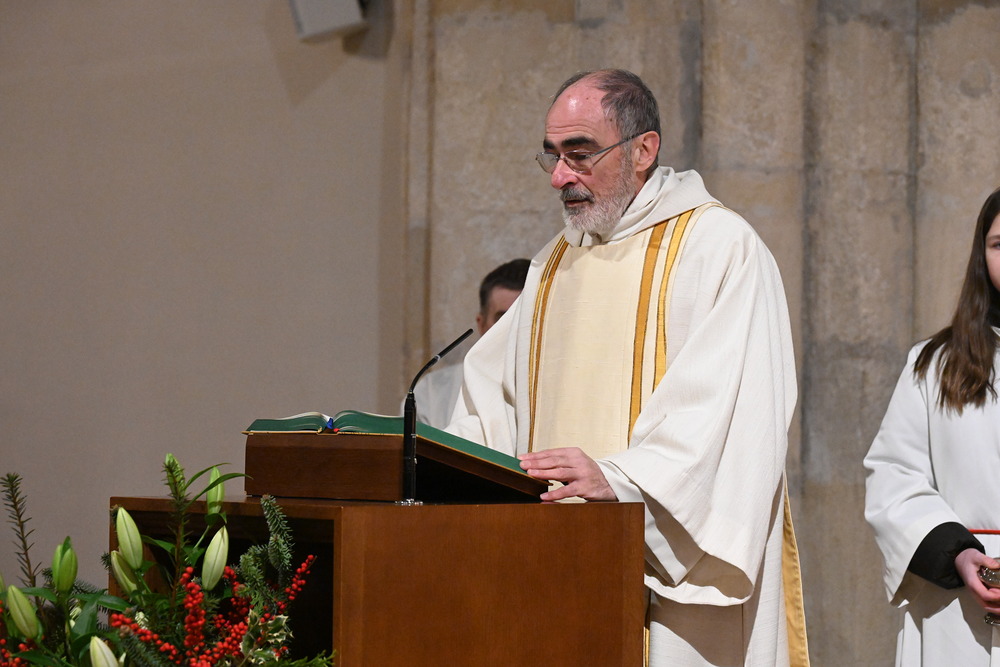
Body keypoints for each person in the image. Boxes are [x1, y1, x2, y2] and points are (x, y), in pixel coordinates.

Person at [447, 69, 806, 666]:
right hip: (553, 565)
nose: (561, 176)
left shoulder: (718, 247)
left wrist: (621, 480)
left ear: (643, 150)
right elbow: (490, 408)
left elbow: (731, 412)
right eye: (553, 156)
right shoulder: (552, 264)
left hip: (666, 583)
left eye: (580, 154)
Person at [864, 186, 1000, 666]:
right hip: (955, 607)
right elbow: (893, 477)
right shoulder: (935, 365)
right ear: (982, 256)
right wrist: (958, 554)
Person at [412, 259, 529, 428]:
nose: (512, 330)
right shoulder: (431, 393)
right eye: (502, 320)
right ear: (481, 324)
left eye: (522, 318)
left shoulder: (562, 389)